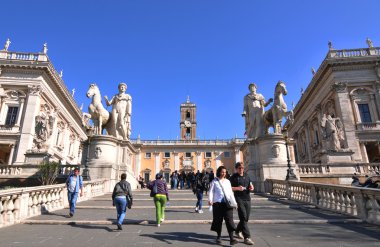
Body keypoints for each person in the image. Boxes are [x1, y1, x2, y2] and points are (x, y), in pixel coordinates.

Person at [208, 166, 238, 245]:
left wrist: (234, 203)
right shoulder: (214, 181)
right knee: (218, 220)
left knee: (229, 220)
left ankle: (232, 239)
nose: (223, 173)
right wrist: (210, 200)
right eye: (222, 172)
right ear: (219, 172)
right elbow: (211, 191)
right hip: (217, 204)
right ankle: (218, 237)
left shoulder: (228, 181)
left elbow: (231, 193)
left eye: (225, 172)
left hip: (227, 204)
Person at [229, 162, 255, 245]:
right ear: (236, 169)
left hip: (247, 198)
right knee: (243, 217)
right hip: (238, 199)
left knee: (246, 218)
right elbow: (229, 188)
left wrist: (252, 187)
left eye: (242, 168)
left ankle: (237, 231)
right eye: (239, 168)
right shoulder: (233, 177)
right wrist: (237, 188)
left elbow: (250, 184)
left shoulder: (247, 175)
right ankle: (247, 237)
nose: (241, 169)